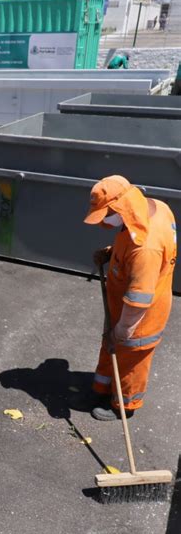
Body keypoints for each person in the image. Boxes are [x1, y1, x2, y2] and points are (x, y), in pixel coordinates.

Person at [84, 175, 177, 421]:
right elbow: (132, 246)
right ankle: (102, 388)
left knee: (130, 360)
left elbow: (139, 297)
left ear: (119, 208)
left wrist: (124, 330)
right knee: (111, 347)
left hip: (140, 317)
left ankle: (124, 405)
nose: (104, 220)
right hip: (120, 305)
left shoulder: (145, 248)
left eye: (106, 213)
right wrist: (112, 253)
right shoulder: (152, 209)